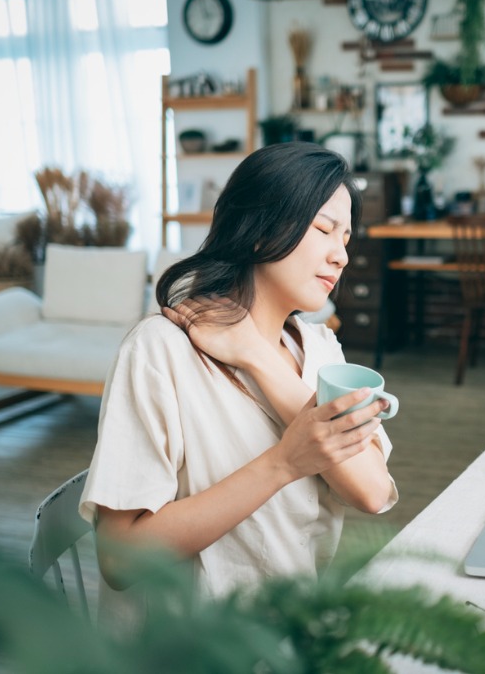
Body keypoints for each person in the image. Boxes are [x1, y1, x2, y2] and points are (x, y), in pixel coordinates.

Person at [78, 142, 398, 622]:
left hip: (288, 632)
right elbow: (121, 559)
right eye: (324, 229)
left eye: (347, 238)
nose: (342, 256)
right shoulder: (160, 350)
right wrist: (283, 464)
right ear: (258, 229)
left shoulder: (319, 351)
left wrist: (256, 358)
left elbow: (373, 492)